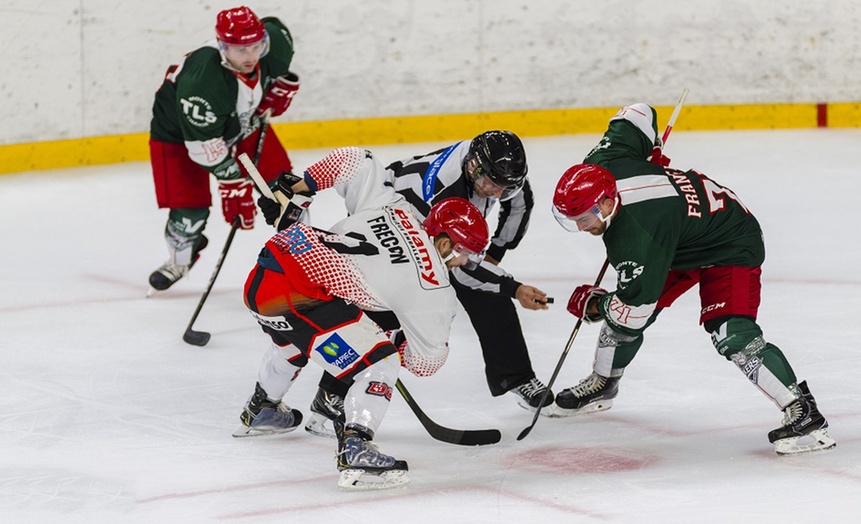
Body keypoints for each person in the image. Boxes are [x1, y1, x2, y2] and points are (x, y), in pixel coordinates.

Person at [549, 102, 836, 456]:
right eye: (572, 219)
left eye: (585, 218)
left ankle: (802, 409)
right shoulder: (602, 161)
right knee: (626, 308)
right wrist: (650, 148)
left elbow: (634, 310)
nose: (580, 228)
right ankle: (604, 382)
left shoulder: (636, 237)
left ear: (608, 202)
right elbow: (637, 113)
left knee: (731, 333)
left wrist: (598, 303)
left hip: (729, 241)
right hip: (679, 237)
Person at [236, 146, 490, 490]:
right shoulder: (435, 289)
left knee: (296, 342)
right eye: (466, 255)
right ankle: (356, 446)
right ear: (446, 244)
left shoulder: (394, 206)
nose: (465, 263)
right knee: (380, 361)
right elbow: (427, 362)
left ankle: (262, 408)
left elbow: (356, 160)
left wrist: (302, 187)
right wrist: (397, 339)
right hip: (300, 297)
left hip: (263, 279)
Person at [299, 130, 555, 437]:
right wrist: (511, 286)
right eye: (489, 184)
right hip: (394, 219)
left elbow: (520, 201)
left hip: (442, 229)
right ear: (472, 167)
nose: (494, 192)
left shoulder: (495, 172)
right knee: (386, 307)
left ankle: (514, 377)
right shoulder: (440, 192)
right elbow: (458, 271)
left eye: (502, 188)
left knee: (488, 291)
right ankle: (331, 397)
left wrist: (494, 256)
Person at [147, 5, 300, 292]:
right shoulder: (201, 82)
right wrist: (234, 183)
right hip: (180, 137)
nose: (251, 56)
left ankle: (303, 260)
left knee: (287, 192)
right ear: (221, 46)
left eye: (256, 46)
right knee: (189, 215)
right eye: (240, 50)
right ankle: (180, 259)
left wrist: (276, 85)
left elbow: (274, 24)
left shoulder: (275, 43)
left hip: (241, 123)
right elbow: (204, 145)